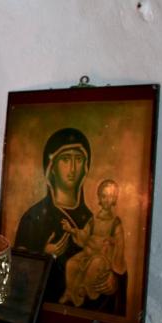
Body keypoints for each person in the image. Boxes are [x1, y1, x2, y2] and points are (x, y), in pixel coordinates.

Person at [14, 128, 93, 303]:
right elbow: (18, 277)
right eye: (65, 159)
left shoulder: (91, 220)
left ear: (85, 167)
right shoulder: (33, 218)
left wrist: (111, 282)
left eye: (78, 159)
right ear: (52, 167)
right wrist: (43, 254)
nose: (73, 168)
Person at [59, 179, 127, 309]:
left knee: (95, 264)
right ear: (99, 198)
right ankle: (70, 292)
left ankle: (85, 288)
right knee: (71, 264)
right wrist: (71, 230)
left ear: (115, 199)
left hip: (103, 256)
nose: (107, 200)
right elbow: (84, 235)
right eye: (104, 196)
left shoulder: (115, 223)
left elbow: (120, 243)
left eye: (111, 196)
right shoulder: (94, 219)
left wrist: (112, 242)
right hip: (88, 252)